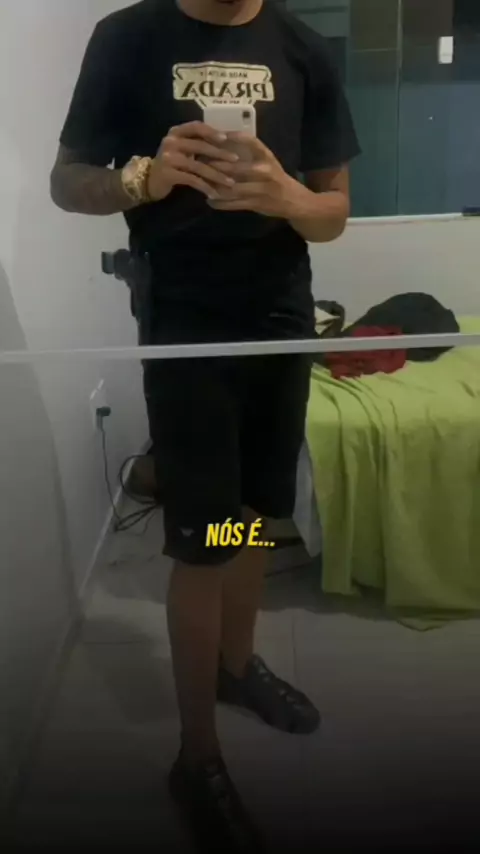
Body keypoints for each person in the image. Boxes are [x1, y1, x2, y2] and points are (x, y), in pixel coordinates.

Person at [51, 0, 360, 849]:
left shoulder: (303, 47)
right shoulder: (127, 38)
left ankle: (234, 663)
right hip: (185, 325)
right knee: (202, 539)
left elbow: (334, 212)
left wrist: (289, 195)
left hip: (279, 317)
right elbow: (66, 180)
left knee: (252, 513)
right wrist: (141, 181)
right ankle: (197, 756)